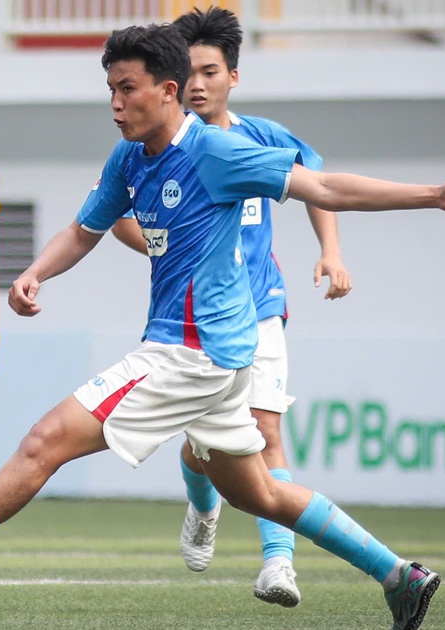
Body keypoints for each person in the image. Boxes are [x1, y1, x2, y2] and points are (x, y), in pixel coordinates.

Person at [0, 23, 445, 630]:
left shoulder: (215, 152)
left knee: (42, 444)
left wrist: (435, 194)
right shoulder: (129, 158)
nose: (116, 104)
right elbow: (86, 228)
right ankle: (402, 578)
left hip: (192, 353)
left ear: (169, 90)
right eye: (110, 91)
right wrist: (37, 273)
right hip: (215, 363)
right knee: (265, 493)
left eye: (127, 89)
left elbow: (326, 187)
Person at [109, 7, 350, 607]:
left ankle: (278, 564)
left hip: (260, 308)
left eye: (209, 71)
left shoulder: (261, 137)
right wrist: (164, 245)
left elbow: (317, 182)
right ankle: (202, 503)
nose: (197, 83)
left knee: (267, 432)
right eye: (187, 71)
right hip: (194, 324)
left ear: (231, 77)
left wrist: (332, 252)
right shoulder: (155, 145)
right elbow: (114, 216)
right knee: (203, 449)